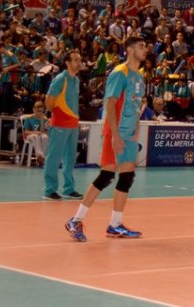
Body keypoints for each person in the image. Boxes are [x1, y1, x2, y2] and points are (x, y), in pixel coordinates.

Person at [66, 36, 149, 242]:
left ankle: (115, 224)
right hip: (116, 132)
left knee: (127, 176)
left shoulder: (139, 76)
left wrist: (137, 125)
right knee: (106, 176)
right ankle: (76, 220)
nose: (145, 50)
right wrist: (114, 134)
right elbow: (110, 103)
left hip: (129, 135)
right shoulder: (120, 73)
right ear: (129, 50)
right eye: (141, 47)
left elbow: (136, 104)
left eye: (145, 46)